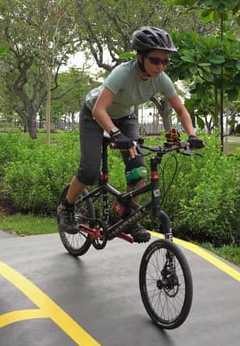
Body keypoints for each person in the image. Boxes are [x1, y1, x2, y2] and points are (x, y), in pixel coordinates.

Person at [57, 27, 204, 243]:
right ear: (140, 57)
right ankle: (67, 206)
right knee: (89, 171)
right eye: (155, 60)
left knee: (138, 168)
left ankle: (130, 215)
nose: (161, 66)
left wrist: (191, 135)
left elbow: (180, 109)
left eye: (165, 61)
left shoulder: (162, 79)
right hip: (94, 113)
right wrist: (115, 133)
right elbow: (99, 110)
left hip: (125, 116)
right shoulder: (122, 73)